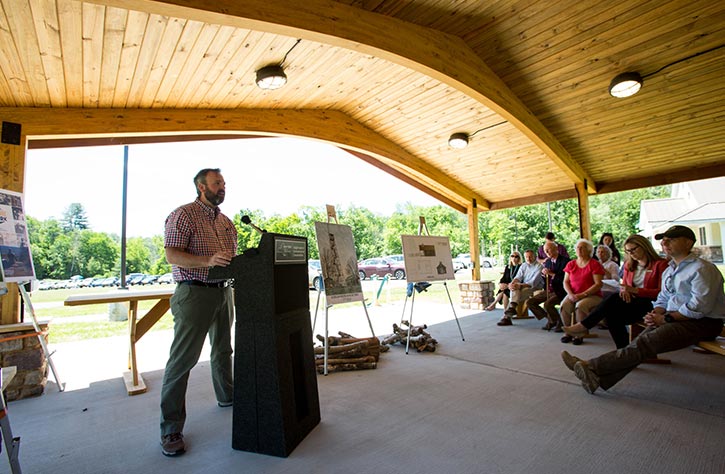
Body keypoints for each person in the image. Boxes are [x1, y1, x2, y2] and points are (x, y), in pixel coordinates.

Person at [562, 225, 725, 394]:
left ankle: (589, 365)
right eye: (663, 240)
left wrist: (667, 318)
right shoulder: (671, 270)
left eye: (672, 239)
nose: (665, 243)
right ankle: (598, 379)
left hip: (703, 322)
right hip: (674, 317)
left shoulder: (702, 268)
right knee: (640, 343)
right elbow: (663, 297)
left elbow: (700, 306)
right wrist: (658, 313)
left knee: (644, 343)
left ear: (688, 242)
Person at [159, 168, 238, 457]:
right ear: (201, 186)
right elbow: (172, 254)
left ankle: (227, 396)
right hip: (194, 293)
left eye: (224, 183)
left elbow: (231, 260)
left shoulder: (228, 223)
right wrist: (207, 261)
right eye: (217, 183)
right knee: (183, 361)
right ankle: (170, 429)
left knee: (222, 351)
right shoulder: (183, 215)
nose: (223, 187)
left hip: (223, 293)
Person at [564, 235, 668, 348]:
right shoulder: (629, 265)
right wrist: (625, 290)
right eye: (628, 251)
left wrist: (635, 290)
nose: (631, 253)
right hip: (631, 301)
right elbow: (625, 285)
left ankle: (584, 326)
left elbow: (662, 293)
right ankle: (623, 350)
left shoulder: (660, 264)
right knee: (611, 314)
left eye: (634, 249)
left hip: (652, 304)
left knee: (613, 299)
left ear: (644, 247)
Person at [560, 239, 605, 345]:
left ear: (589, 250)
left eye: (582, 247)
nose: (579, 249)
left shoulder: (594, 264)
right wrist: (570, 294)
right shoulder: (571, 264)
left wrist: (583, 295)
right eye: (577, 247)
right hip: (573, 294)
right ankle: (568, 332)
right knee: (564, 305)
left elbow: (598, 284)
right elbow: (565, 282)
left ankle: (579, 334)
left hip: (592, 295)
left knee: (580, 306)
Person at [526, 241, 569, 331]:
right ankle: (551, 320)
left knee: (548, 304)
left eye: (548, 250)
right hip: (548, 289)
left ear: (556, 249)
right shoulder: (548, 261)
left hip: (560, 290)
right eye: (545, 251)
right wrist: (543, 274)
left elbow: (565, 279)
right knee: (530, 302)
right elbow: (546, 277)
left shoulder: (565, 261)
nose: (547, 252)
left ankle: (559, 322)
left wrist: (551, 274)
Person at [498, 250, 544, 326]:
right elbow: (518, 277)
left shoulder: (539, 266)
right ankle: (510, 311)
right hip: (524, 286)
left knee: (516, 293)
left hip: (534, 288)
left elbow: (533, 283)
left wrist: (519, 285)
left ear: (535, 257)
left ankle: (507, 317)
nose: (528, 259)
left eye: (530, 257)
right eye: (526, 257)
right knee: (514, 289)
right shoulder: (524, 265)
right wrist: (512, 283)